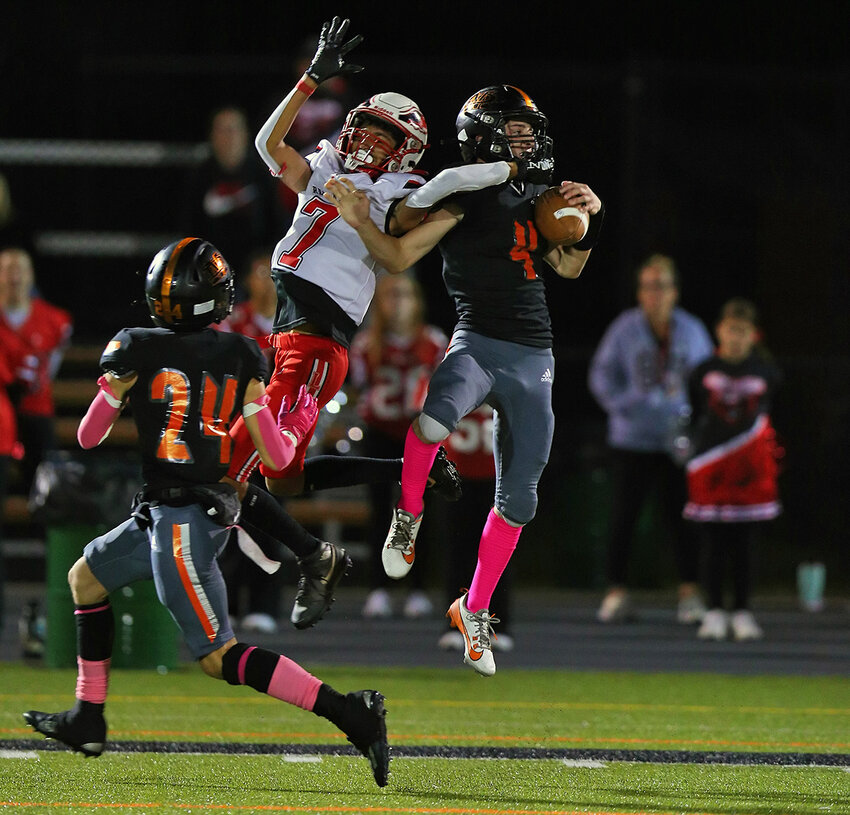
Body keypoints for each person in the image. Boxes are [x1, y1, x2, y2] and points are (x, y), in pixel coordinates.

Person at [23, 238, 391, 788]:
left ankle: (352, 714)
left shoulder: (134, 346)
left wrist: (114, 390)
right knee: (86, 579)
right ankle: (88, 717)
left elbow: (88, 434)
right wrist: (291, 417)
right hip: (179, 511)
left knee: (219, 657)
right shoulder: (242, 355)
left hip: (182, 523)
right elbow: (276, 457)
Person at [221, 16, 508, 632]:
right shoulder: (325, 163)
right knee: (283, 477)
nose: (368, 143)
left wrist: (499, 171)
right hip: (293, 331)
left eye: (384, 137)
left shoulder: (401, 191)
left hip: (318, 339)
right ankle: (406, 477)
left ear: (404, 150)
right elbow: (269, 146)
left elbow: (394, 252)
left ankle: (308, 558)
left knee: (233, 465)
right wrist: (308, 82)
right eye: (367, 130)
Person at [326, 83, 605, 676]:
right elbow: (399, 259)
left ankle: (473, 608)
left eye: (529, 129)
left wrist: (590, 217)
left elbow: (572, 267)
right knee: (431, 420)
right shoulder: (465, 195)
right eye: (515, 128)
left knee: (522, 499)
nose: (528, 139)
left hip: (534, 355)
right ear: (483, 135)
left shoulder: (538, 191)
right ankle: (408, 515)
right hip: (476, 339)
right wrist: (358, 219)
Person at [588, 253, 714, 624]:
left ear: (674, 291)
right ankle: (616, 592)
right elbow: (600, 376)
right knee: (624, 517)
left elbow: (707, 381)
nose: (653, 295)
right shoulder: (625, 328)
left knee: (685, 518)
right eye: (646, 287)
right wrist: (623, 405)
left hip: (678, 441)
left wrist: (695, 422)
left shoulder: (691, 330)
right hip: (633, 439)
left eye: (660, 286)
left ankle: (690, 592)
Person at [348, 271, 448, 619]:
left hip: (419, 434)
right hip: (379, 433)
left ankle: (417, 588)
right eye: (391, 295)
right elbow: (357, 390)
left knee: (418, 512)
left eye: (404, 294)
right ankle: (378, 587)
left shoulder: (434, 342)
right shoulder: (365, 345)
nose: (398, 303)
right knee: (379, 513)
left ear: (417, 301)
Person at [683, 297, 783, 641]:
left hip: (749, 470)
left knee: (745, 544)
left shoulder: (766, 371)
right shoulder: (702, 370)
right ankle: (713, 610)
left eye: (743, 331)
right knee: (712, 542)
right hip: (712, 467)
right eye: (731, 330)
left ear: (753, 335)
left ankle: (742, 610)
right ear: (719, 331)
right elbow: (694, 412)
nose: (736, 337)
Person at [216, 248, 282, 633]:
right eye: (262, 271)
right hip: (233, 431)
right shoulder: (231, 323)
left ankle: (263, 603)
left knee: (268, 518)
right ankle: (223, 600)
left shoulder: (297, 323)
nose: (269, 279)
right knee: (224, 518)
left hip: (275, 434)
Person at [435, 404, 516, 653]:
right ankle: (455, 626)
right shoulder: (455, 370)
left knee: (498, 554)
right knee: (458, 552)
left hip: (497, 475)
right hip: (458, 472)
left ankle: (496, 625)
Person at [179, 106, 282, 284]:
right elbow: (188, 225)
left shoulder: (262, 173)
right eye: (222, 130)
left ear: (245, 134)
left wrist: (265, 259)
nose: (229, 137)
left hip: (256, 267)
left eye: (233, 129)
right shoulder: (200, 176)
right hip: (209, 266)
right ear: (212, 136)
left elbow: (278, 223)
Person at [0, 248, 73, 494]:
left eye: (19, 270)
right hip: (1, 412)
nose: (14, 277)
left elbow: (50, 368)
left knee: (44, 486)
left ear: (31, 275)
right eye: (7, 270)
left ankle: (44, 532)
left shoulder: (53, 320)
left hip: (36, 408)